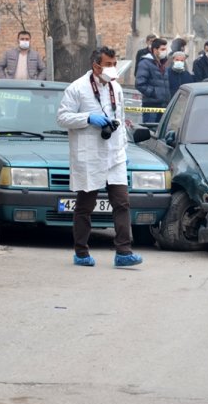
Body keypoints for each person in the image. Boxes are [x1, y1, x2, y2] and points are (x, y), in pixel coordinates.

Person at [55, 46, 144, 268]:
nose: (113, 69)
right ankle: (81, 252)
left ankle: (124, 251)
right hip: (89, 156)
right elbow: (63, 118)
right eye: (108, 65)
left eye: (115, 64)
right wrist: (88, 118)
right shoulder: (77, 88)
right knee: (85, 205)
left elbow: (120, 119)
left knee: (122, 202)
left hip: (114, 155)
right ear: (96, 66)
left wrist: (124, 149)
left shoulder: (117, 88)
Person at [135, 38, 171, 124]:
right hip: (151, 106)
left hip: (164, 105)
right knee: (150, 131)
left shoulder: (163, 64)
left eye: (165, 49)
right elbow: (139, 84)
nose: (165, 51)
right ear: (155, 50)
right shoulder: (145, 63)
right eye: (162, 49)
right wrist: (154, 93)